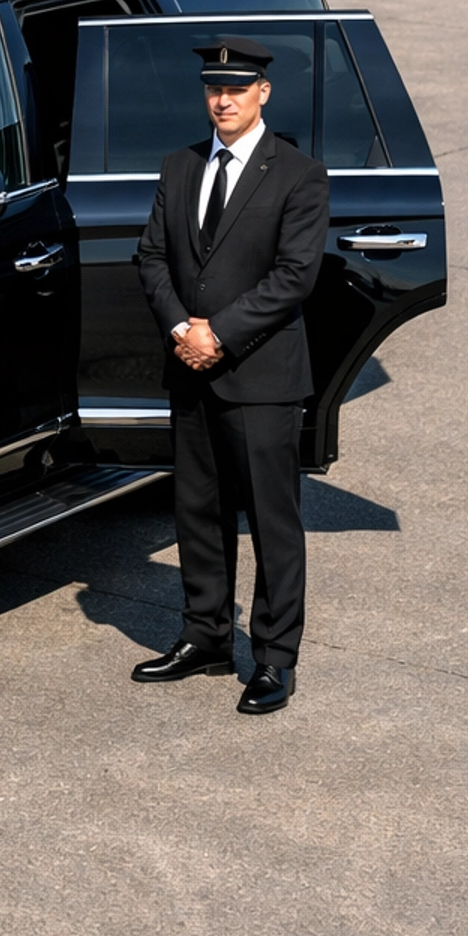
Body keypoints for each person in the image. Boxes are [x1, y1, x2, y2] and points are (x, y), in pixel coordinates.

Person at [134, 37, 329, 714]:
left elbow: (295, 277)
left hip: (261, 377)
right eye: (214, 89)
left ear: (262, 94)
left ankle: (275, 658)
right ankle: (205, 637)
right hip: (190, 369)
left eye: (237, 90)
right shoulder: (179, 166)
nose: (222, 101)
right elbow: (152, 256)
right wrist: (181, 328)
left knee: (273, 522)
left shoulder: (298, 175)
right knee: (197, 512)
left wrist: (219, 332)